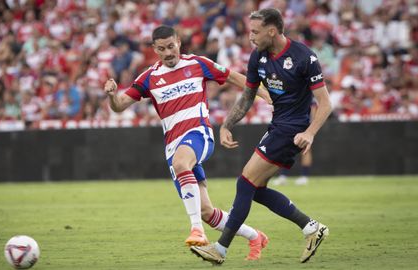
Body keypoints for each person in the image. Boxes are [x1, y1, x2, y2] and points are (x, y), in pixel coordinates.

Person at [103, 25, 272, 260]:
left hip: (198, 134)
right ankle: (255, 236)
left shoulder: (197, 63)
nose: (168, 52)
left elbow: (234, 77)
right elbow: (120, 106)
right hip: (173, 147)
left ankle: (197, 231)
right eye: (162, 49)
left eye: (171, 46)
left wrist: (264, 93)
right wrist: (112, 95)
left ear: (179, 43)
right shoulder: (149, 78)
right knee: (206, 211)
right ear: (155, 50)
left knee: (182, 163)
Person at [191, 8, 332, 265]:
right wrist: (226, 125)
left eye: (255, 32)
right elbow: (247, 95)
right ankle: (311, 227)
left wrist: (309, 133)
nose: (251, 37)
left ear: (272, 30)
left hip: (292, 129)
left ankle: (220, 249)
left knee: (245, 183)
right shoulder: (258, 57)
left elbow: (325, 103)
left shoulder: (304, 57)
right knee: (255, 190)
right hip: (277, 125)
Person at [272, 102, 317, 186]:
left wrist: (310, 128)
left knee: (305, 149)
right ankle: (283, 176)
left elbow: (313, 107)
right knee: (284, 148)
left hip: (303, 122)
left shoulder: (307, 91)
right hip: (289, 122)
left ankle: (304, 176)